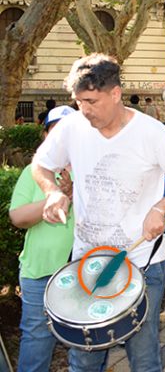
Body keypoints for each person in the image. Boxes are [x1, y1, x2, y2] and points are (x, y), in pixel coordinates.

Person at [31, 53, 165, 372]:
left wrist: (160, 206)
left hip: (141, 261)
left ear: (115, 94)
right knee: (84, 357)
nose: (84, 109)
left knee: (143, 357)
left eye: (91, 101)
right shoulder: (71, 127)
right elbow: (40, 165)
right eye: (79, 101)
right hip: (87, 261)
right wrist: (53, 191)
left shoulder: (152, 133)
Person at [11, 106, 76, 372]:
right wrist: (54, 197)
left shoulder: (94, 170)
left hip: (84, 272)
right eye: (54, 131)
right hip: (40, 273)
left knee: (87, 344)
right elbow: (18, 217)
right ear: (45, 135)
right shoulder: (33, 172)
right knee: (37, 339)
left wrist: (75, 192)